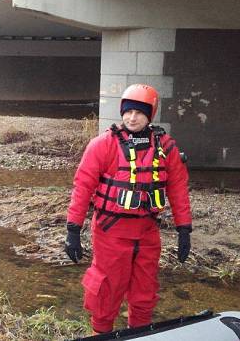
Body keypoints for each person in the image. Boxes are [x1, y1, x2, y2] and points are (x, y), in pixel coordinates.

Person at [64, 84, 192, 334]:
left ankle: (139, 335)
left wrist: (184, 229)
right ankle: (101, 334)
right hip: (111, 231)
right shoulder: (103, 145)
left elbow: (178, 188)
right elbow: (82, 188)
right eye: (128, 111)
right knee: (106, 292)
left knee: (145, 292)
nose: (132, 118)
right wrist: (73, 229)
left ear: (150, 115)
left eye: (139, 113)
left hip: (147, 231)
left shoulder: (165, 147)